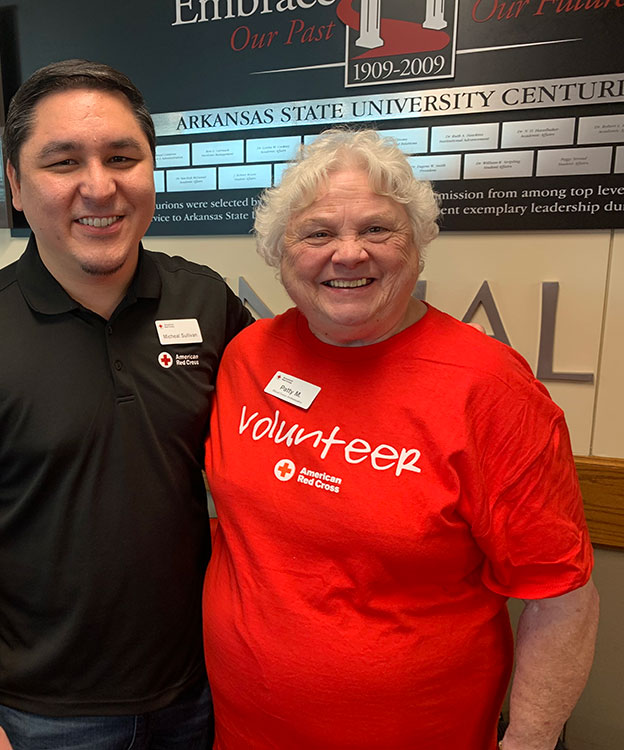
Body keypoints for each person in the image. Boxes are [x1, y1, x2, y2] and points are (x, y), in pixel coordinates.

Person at [0, 59, 252, 749]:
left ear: (151, 171)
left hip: (200, 686)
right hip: (44, 711)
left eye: (122, 157)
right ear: (17, 188)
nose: (99, 185)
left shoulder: (207, 304)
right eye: (63, 162)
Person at [203, 129, 599, 750]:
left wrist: (529, 741)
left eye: (378, 230)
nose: (349, 254)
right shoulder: (248, 357)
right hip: (245, 727)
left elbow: (561, 596)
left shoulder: (490, 386)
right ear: (279, 253)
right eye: (318, 233)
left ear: (417, 245)